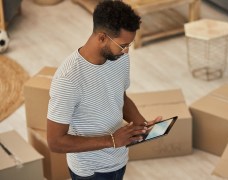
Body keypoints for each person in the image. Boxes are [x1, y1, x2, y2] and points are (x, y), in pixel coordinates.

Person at [47, 1, 162, 179]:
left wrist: (141, 125)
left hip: (119, 159)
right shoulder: (68, 79)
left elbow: (118, 96)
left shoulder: (119, 58)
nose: (126, 52)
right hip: (90, 171)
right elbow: (55, 142)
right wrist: (111, 141)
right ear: (102, 38)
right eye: (123, 45)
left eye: (129, 45)